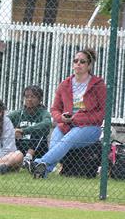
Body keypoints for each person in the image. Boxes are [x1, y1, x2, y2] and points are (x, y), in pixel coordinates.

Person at [30, 47, 107, 178]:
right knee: (55, 141)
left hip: (89, 128)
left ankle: (38, 162)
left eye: (82, 61)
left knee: (67, 139)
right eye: (76, 60)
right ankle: (42, 171)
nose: (78, 64)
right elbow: (54, 109)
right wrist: (61, 118)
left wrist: (78, 119)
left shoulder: (98, 85)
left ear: (89, 65)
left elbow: (102, 112)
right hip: (66, 124)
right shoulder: (64, 85)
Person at [9, 85, 52, 165]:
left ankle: (28, 157)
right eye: (27, 96)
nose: (29, 99)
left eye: (33, 97)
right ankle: (21, 158)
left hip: (38, 150)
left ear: (40, 99)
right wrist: (13, 131)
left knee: (40, 130)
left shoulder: (44, 113)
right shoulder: (18, 114)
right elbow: (4, 121)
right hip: (19, 147)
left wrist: (23, 131)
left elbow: (47, 124)